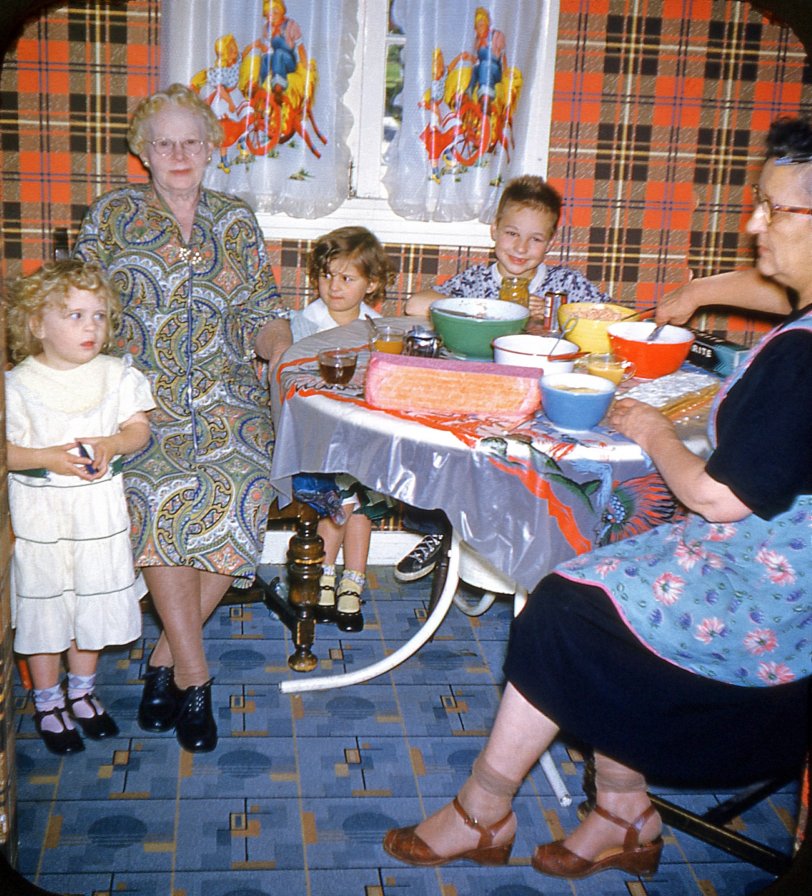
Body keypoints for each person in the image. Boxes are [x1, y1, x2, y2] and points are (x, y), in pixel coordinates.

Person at [384, 115, 812, 880]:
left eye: (773, 210)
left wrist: (652, 430)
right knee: (600, 567)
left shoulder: (802, 360)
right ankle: (623, 810)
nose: (754, 224)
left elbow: (716, 497)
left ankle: (485, 809)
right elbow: (776, 291)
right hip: (767, 572)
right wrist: (699, 290)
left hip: (769, 616)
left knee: (562, 610)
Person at [74, 83, 290, 754]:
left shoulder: (235, 220)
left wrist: (283, 358)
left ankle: (164, 659)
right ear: (143, 151)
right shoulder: (113, 217)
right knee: (161, 492)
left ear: (210, 148)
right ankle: (195, 677)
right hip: (140, 402)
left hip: (229, 398)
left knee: (243, 489)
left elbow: (263, 311)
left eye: (190, 141)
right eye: (163, 142)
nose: (178, 153)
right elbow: (79, 311)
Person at [399, 174, 612, 583]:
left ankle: (529, 550)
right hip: (485, 397)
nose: (520, 247)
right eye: (512, 233)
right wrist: (491, 308)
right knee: (448, 443)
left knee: (546, 465)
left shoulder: (564, 285)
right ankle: (444, 529)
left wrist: (557, 316)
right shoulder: (479, 281)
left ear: (550, 242)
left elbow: (607, 322)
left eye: (535, 239)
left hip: (544, 404)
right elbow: (415, 303)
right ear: (494, 230)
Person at [5, 261, 154, 756]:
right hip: (42, 519)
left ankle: (83, 692)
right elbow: (6, 452)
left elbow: (138, 430)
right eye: (74, 315)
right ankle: (48, 700)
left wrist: (112, 444)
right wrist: (46, 457)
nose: (91, 326)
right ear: (36, 324)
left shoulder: (116, 375)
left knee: (91, 601)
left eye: (100, 315)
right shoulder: (17, 385)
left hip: (97, 516)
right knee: (46, 607)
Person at [287, 226, 395, 632]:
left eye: (347, 278)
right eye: (326, 275)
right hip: (315, 440)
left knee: (362, 499)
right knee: (343, 497)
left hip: (361, 437)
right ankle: (325, 576)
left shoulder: (378, 329)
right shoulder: (304, 325)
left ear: (372, 284)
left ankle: (352, 581)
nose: (334, 287)